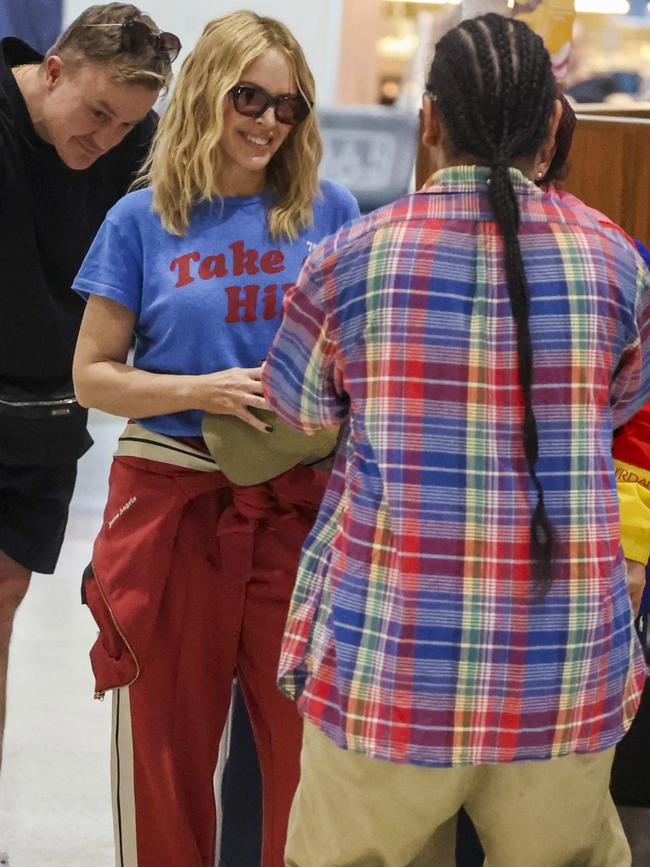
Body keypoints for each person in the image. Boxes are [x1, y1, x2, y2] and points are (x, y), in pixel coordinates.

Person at [263, 13, 650, 867]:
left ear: (429, 121)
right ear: (555, 124)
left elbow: (300, 410)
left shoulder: (348, 259)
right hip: (563, 669)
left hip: (389, 660)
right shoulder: (616, 262)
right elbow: (625, 396)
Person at [71, 11, 359, 867]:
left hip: (298, 512)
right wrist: (201, 389)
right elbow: (92, 373)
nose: (268, 120)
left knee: (310, 759)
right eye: (249, 96)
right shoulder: (141, 219)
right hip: (172, 503)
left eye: (288, 106)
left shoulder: (329, 211)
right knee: (164, 750)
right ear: (206, 93)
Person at [0, 2, 178, 773]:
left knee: (2, 605)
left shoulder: (135, 137)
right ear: (54, 68)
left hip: (44, 413)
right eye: (97, 113)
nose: (104, 139)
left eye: (125, 126)